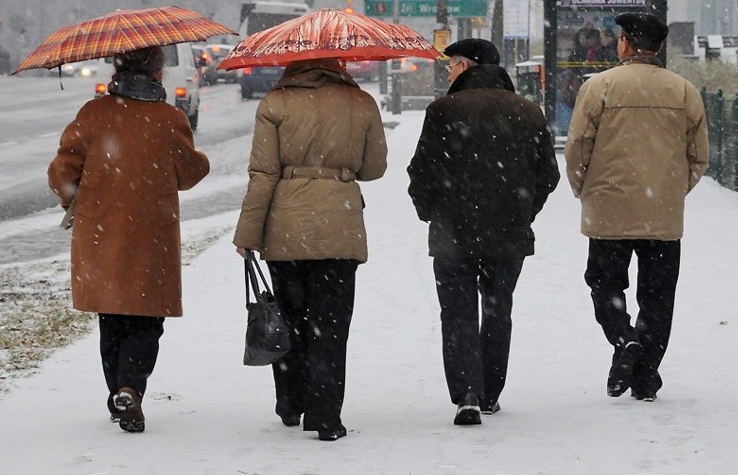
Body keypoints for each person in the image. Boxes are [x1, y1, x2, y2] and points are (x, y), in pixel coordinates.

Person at [47, 45, 210, 433]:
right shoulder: (169, 119)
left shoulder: (93, 114)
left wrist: (80, 200)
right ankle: (129, 387)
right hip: (151, 234)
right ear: (157, 72)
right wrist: (199, 160)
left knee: (112, 315)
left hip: (102, 232)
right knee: (145, 318)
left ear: (117, 68)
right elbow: (188, 174)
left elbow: (62, 172)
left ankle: (118, 391)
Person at [233, 57, 387, 442]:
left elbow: (263, 173)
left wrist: (248, 233)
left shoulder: (275, 102)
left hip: (287, 229)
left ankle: (291, 402)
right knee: (332, 326)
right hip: (340, 225)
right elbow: (374, 168)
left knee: (290, 321)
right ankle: (326, 415)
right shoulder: (361, 101)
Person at [407, 38, 560, 425]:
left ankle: (467, 393)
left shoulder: (443, 110)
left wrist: (431, 211)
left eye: (451, 65)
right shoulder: (527, 111)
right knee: (497, 309)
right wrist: (525, 210)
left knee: (457, 311)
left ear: (467, 66)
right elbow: (548, 175)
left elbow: (421, 171)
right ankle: (491, 390)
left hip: (452, 233)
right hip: (508, 233)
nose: (447, 71)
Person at [565, 13, 709, 402]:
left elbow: (578, 146)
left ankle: (623, 338)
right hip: (661, 213)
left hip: (609, 208)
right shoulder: (683, 91)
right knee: (658, 296)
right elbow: (699, 156)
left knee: (604, 284)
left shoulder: (600, 87)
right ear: (659, 47)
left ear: (625, 43)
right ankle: (646, 376)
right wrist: (672, 189)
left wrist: (585, 188)